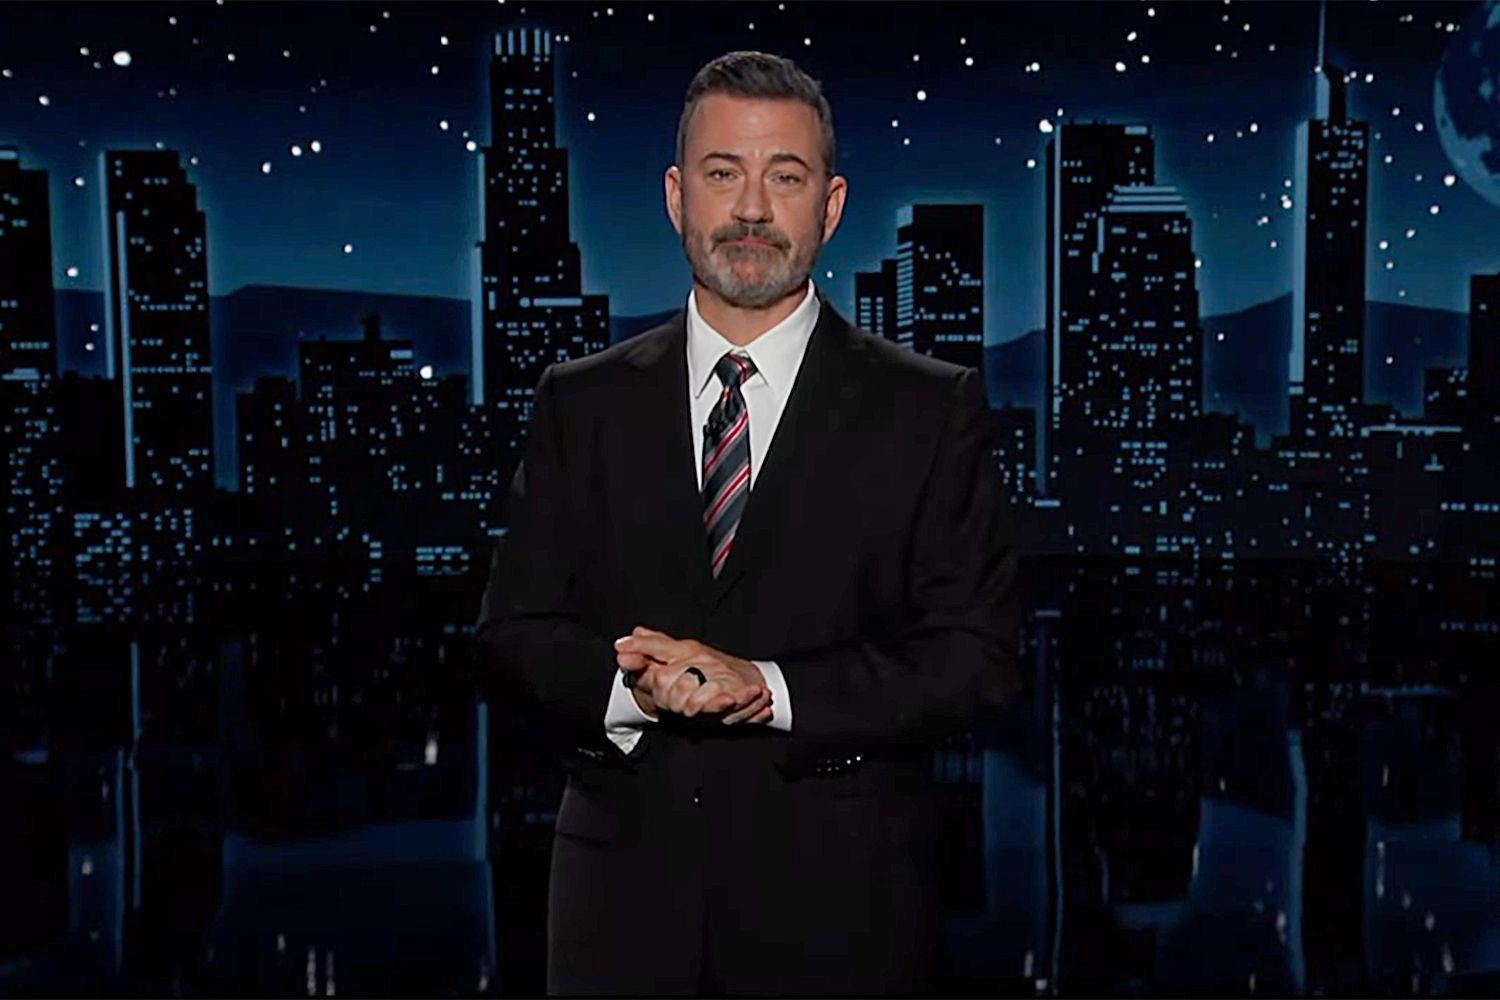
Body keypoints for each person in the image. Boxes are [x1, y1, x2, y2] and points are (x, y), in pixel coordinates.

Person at [476, 49, 1022, 996]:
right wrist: (635, 690)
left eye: (787, 177)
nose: (753, 209)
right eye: (724, 173)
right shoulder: (580, 403)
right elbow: (510, 636)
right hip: (618, 913)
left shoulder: (928, 409)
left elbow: (979, 657)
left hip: (844, 917)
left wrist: (768, 688)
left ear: (832, 206)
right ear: (676, 197)